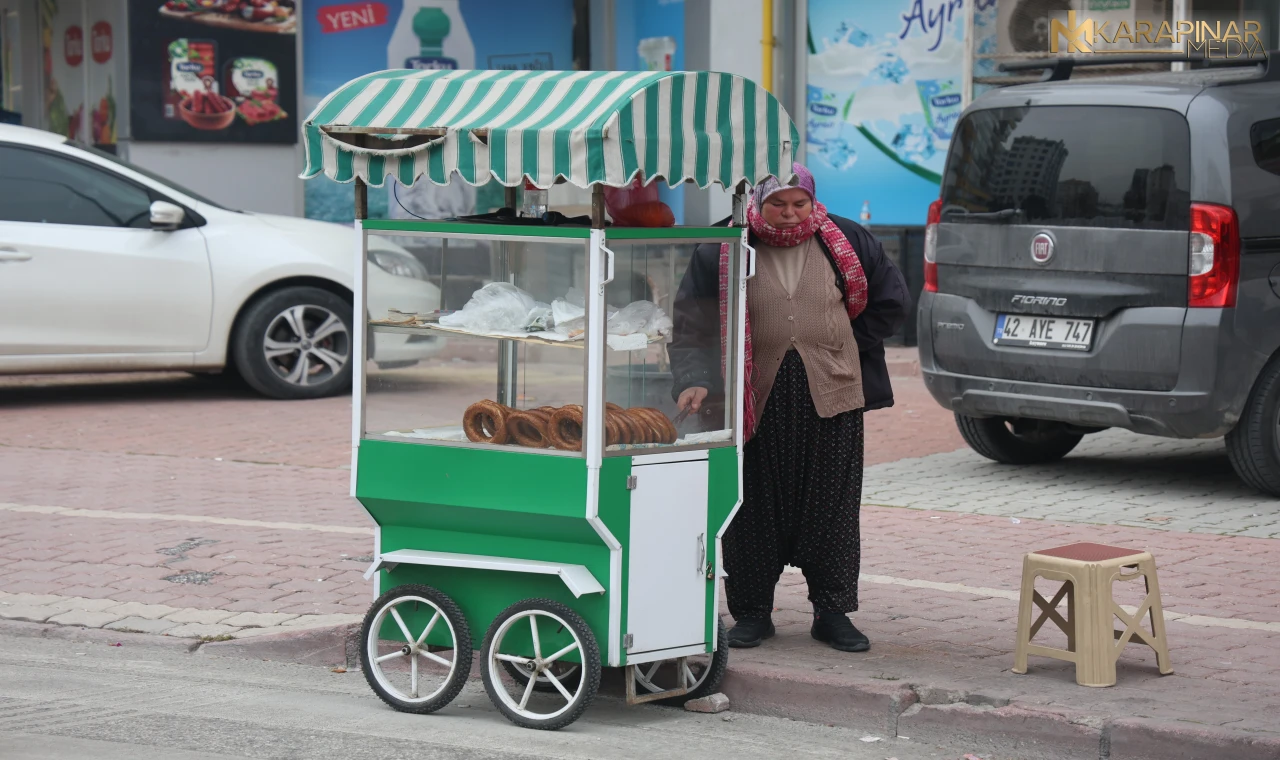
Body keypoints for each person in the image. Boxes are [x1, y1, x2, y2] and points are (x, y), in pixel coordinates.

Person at [669, 163, 909, 652]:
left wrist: (843, 342)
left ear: (812, 201)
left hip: (833, 394)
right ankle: (753, 613)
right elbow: (692, 319)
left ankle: (833, 612)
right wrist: (694, 380)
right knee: (752, 505)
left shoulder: (846, 239)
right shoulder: (725, 244)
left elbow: (891, 300)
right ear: (757, 200)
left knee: (833, 506)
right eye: (777, 203)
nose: (788, 214)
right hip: (755, 396)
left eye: (798, 204)